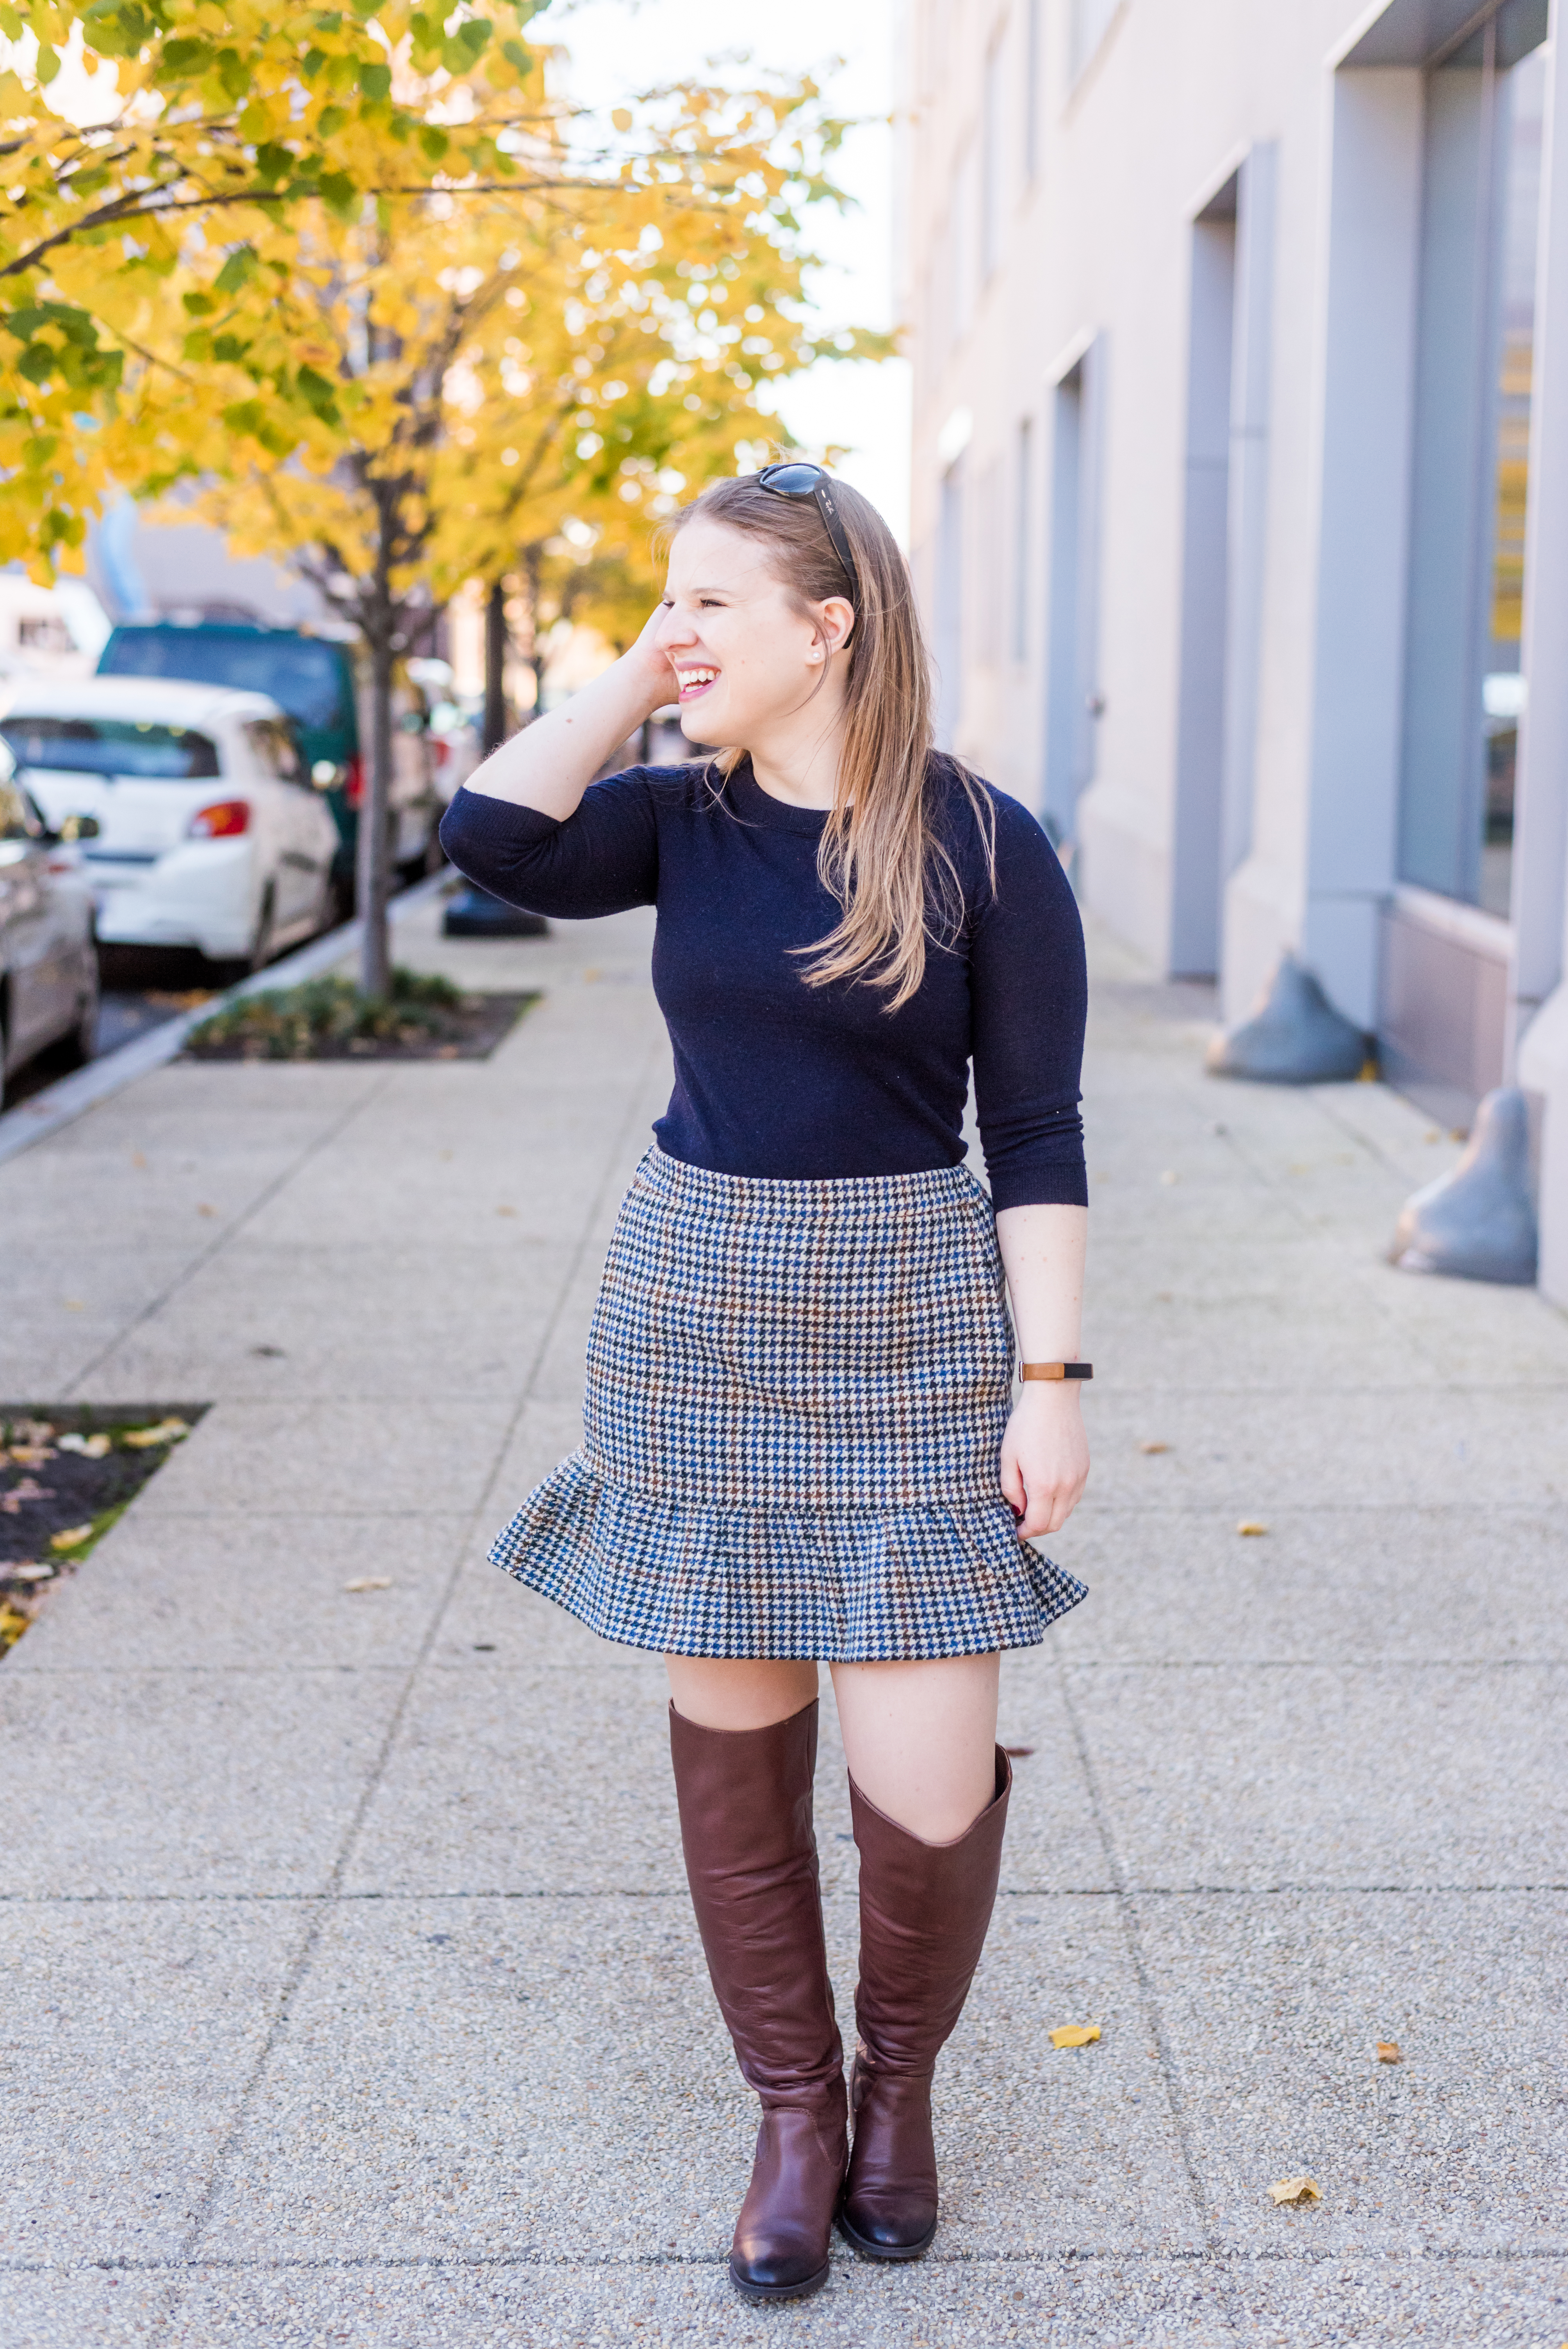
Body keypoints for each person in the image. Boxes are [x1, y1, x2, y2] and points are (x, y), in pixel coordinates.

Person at [438, 466, 1090, 2304]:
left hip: (906, 1322)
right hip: (695, 1312)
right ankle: (796, 2113)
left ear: (834, 628)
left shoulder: (979, 841)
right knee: (733, 1748)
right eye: (669, 601)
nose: (680, 633)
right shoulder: (672, 820)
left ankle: (900, 2093)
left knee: (928, 1777)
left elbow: (1035, 1131)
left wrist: (1049, 1380)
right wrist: (637, 674)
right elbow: (491, 836)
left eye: (717, 603)